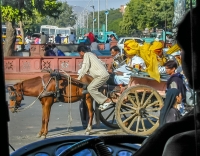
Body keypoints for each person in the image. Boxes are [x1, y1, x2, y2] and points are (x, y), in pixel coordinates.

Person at [76, 45, 112, 111]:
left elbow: (85, 66)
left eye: (79, 54)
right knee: (92, 87)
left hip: (101, 76)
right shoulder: (92, 54)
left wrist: (79, 77)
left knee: (91, 88)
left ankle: (106, 100)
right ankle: (102, 101)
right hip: (103, 75)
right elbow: (103, 63)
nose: (79, 56)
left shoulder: (86, 55)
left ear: (81, 52)